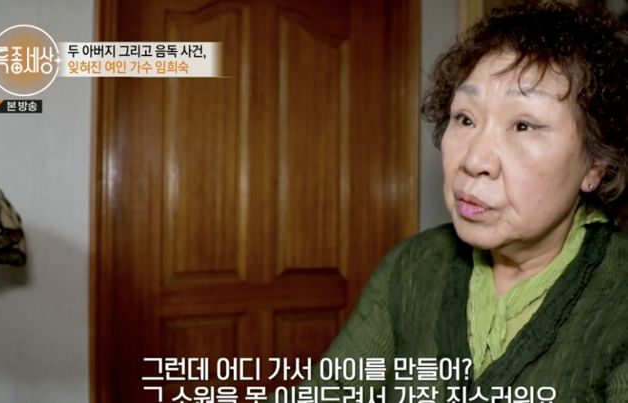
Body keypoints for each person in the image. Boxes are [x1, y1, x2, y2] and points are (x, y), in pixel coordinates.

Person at [269, 1, 628, 402]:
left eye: (523, 125)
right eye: (465, 119)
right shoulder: (413, 267)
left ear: (595, 164)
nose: (474, 160)